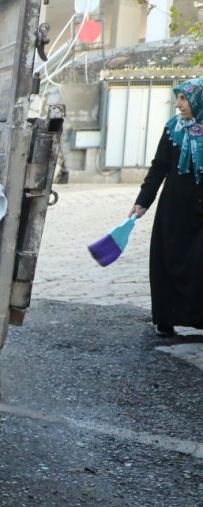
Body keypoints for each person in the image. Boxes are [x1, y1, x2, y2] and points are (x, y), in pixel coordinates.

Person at [130, 77, 203, 338]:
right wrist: (142, 201)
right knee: (167, 261)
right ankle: (165, 318)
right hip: (174, 208)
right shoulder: (173, 129)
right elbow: (159, 167)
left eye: (184, 98)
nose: (179, 104)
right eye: (179, 98)